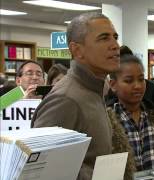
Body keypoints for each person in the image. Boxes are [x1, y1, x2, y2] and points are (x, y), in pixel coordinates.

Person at [31, 12, 120, 180]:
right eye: (103, 38)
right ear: (77, 50)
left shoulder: (94, 91)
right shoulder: (65, 99)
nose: (115, 45)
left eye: (115, 37)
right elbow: (40, 170)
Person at [106, 54, 154, 171]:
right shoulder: (107, 122)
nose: (137, 86)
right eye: (128, 81)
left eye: (141, 79)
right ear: (113, 85)